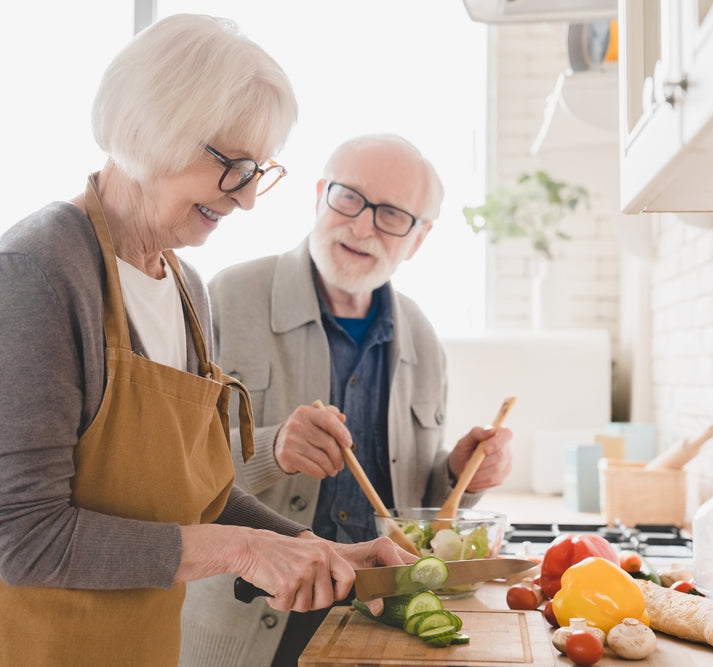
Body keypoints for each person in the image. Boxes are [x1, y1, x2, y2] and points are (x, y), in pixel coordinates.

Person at [0, 15, 412, 666]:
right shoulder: (35, 277)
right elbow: (26, 538)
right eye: (234, 167)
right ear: (152, 129)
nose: (246, 201)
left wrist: (321, 549)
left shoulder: (187, 290)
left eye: (258, 171)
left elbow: (203, 497)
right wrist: (244, 550)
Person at [179, 134, 513, 666]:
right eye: (349, 198)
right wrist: (273, 449)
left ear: (419, 238)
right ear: (319, 196)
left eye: (391, 215)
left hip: (384, 616)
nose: (362, 226)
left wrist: (457, 473)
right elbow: (175, 472)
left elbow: (415, 502)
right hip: (245, 628)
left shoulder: (424, 339)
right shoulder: (223, 298)